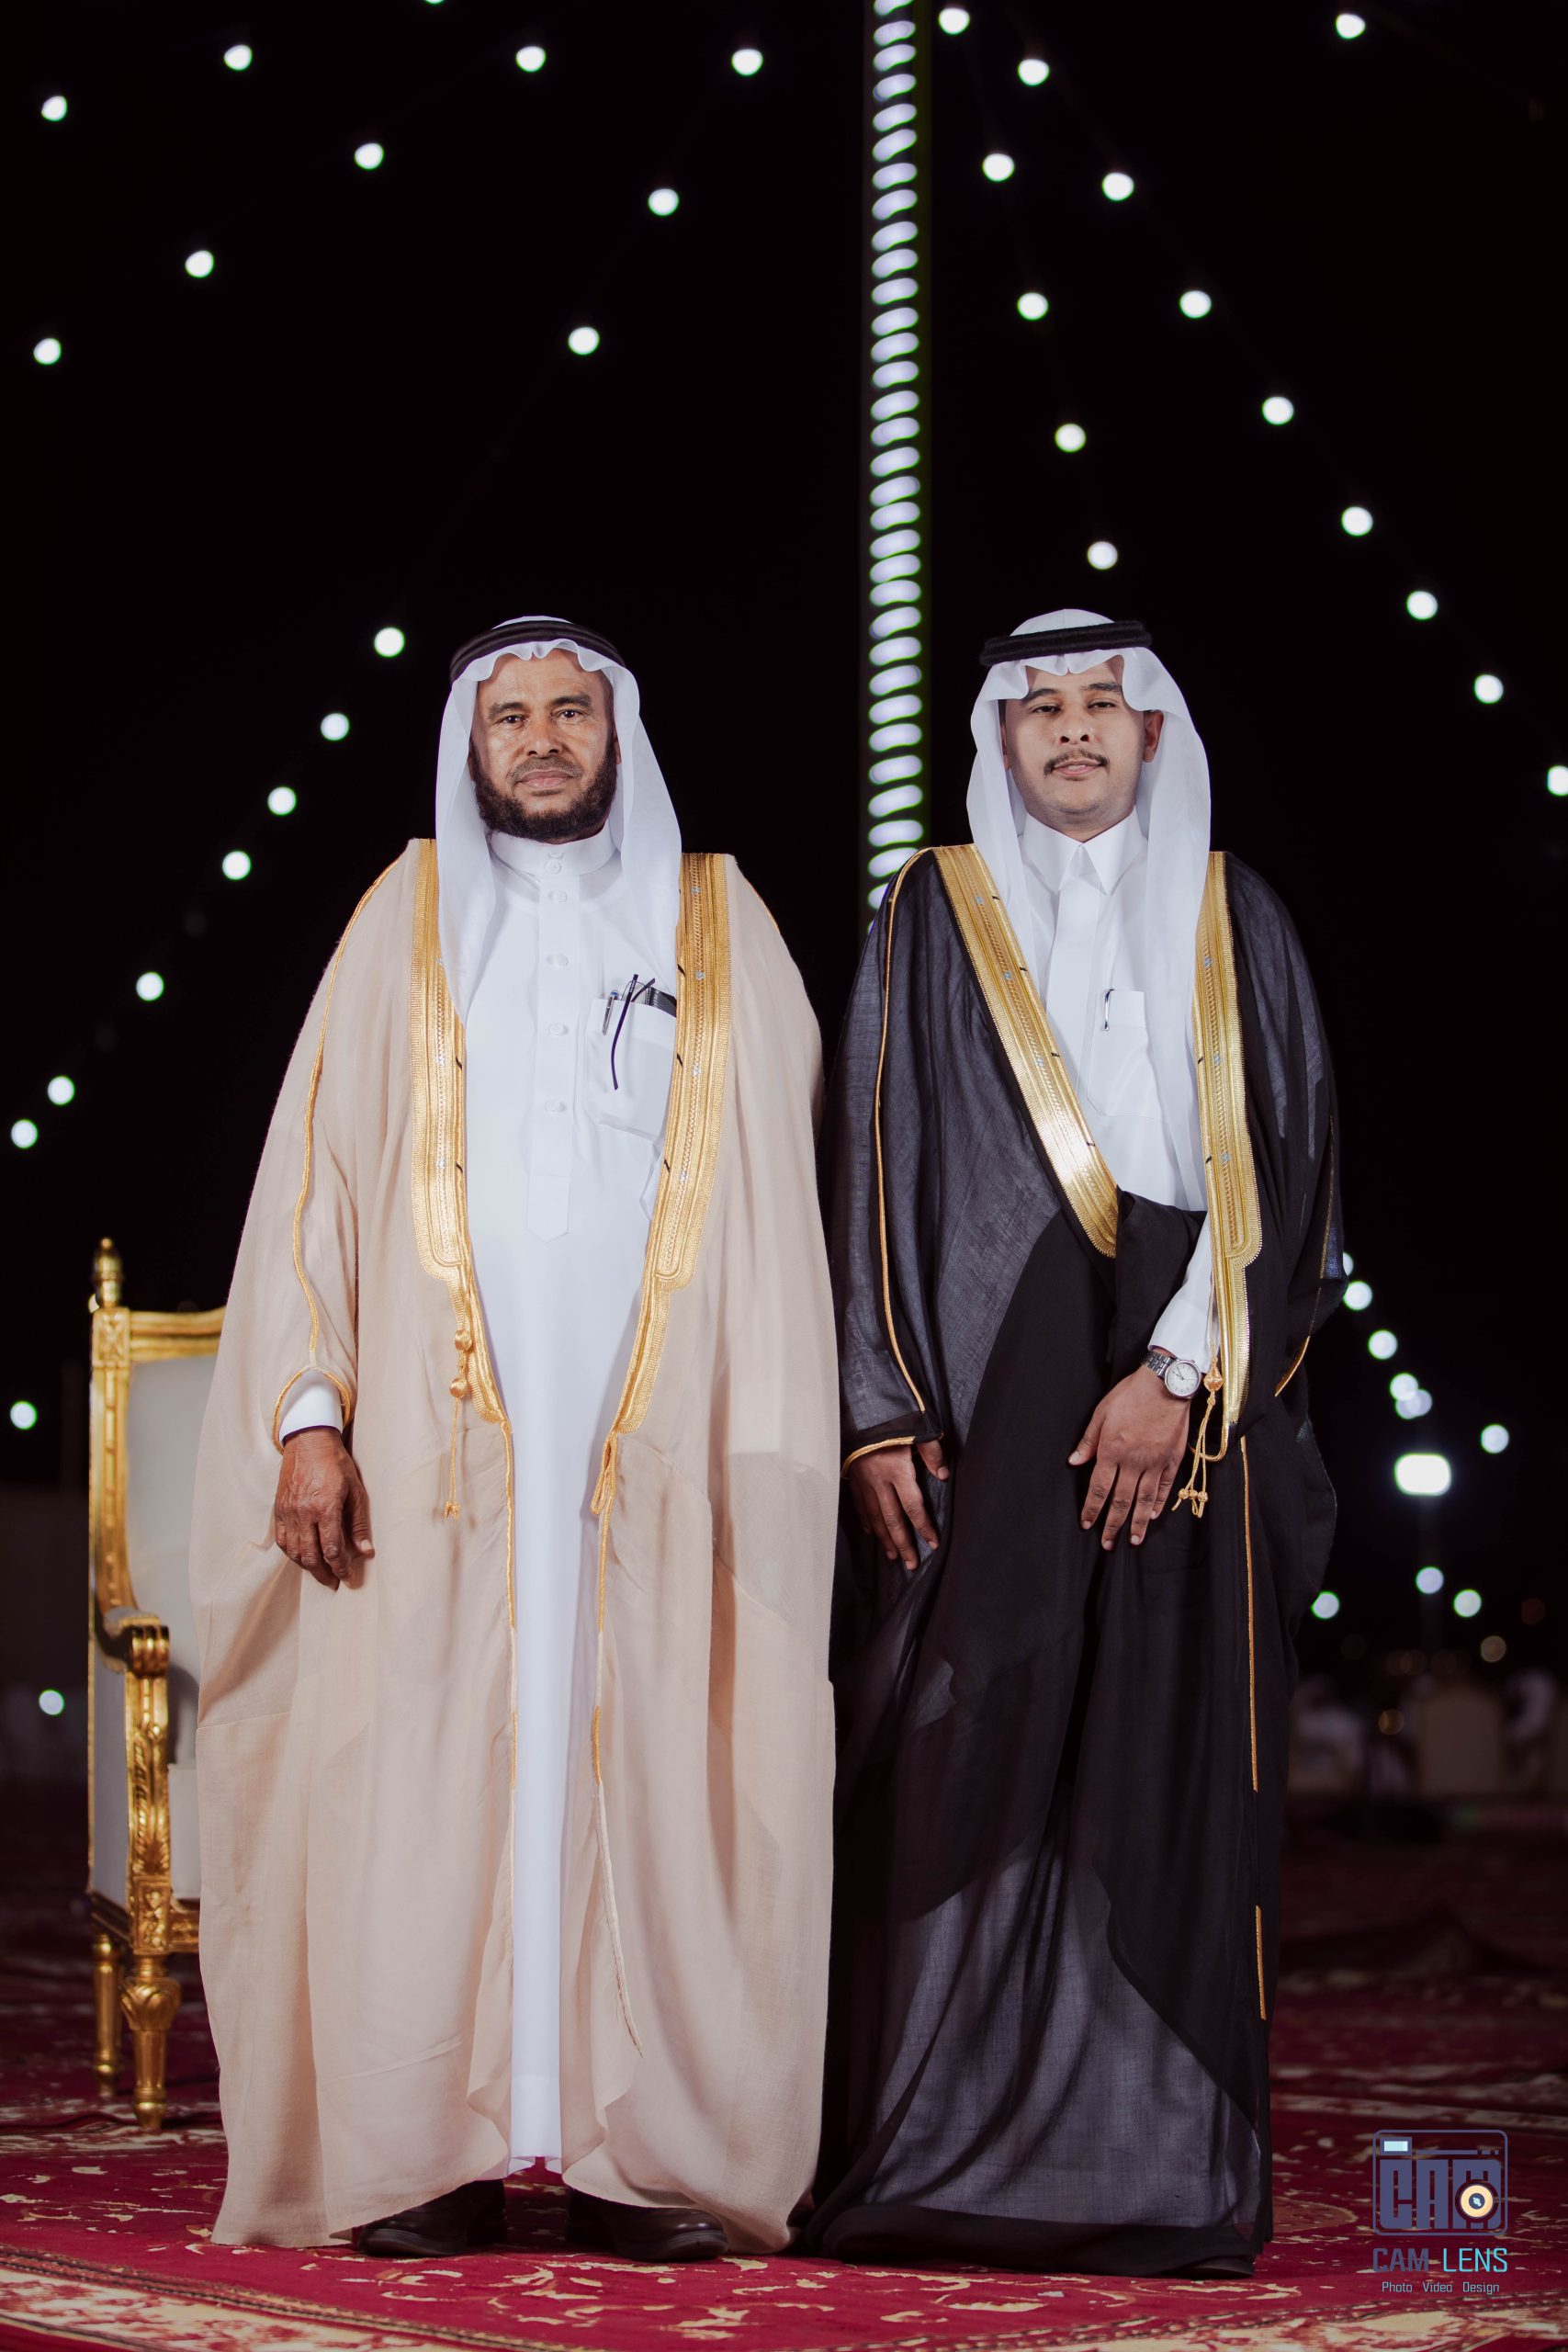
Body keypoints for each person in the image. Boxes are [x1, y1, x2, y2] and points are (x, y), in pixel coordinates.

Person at [192, 617, 838, 2260]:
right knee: (429, 1774)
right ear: (468, 748)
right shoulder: (399, 920)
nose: (542, 741)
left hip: (654, 1445)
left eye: (570, 714)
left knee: (649, 1771)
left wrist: (767, 1448)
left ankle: (640, 2162)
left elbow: (783, 1214)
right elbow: (314, 1186)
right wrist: (312, 1416)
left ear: (619, 737)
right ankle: (427, 2155)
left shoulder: (718, 921)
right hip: (438, 1451)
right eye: (511, 720)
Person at [809, 609, 1343, 2278]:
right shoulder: (932, 909)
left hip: (1188, 1389)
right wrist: (879, 1408)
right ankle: (930, 2157)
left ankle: (1159, 2177)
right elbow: (868, 1160)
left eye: (1103, 704)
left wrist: (1177, 1374)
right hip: (986, 1400)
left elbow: (1293, 1169)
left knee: (1162, 1767)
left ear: (1155, 732)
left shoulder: (1234, 913)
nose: (1072, 731)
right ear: (1001, 738)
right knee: (954, 1758)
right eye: (1037, 709)